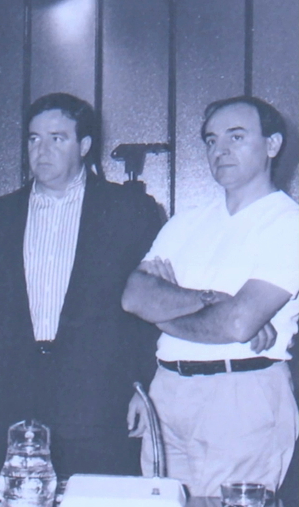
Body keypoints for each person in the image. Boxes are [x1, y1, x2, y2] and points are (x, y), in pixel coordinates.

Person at [0, 93, 162, 478]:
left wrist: (145, 387)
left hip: (100, 399)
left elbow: (151, 308)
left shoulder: (128, 211)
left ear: (84, 145)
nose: (42, 150)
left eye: (57, 138)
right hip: (11, 398)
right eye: (34, 139)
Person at [121, 96, 299, 496]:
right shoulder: (185, 223)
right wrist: (211, 298)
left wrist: (164, 310)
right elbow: (133, 296)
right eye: (211, 140)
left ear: (272, 145)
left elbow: (237, 323)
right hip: (167, 391)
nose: (220, 150)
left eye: (236, 137)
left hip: (241, 395)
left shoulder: (288, 224)